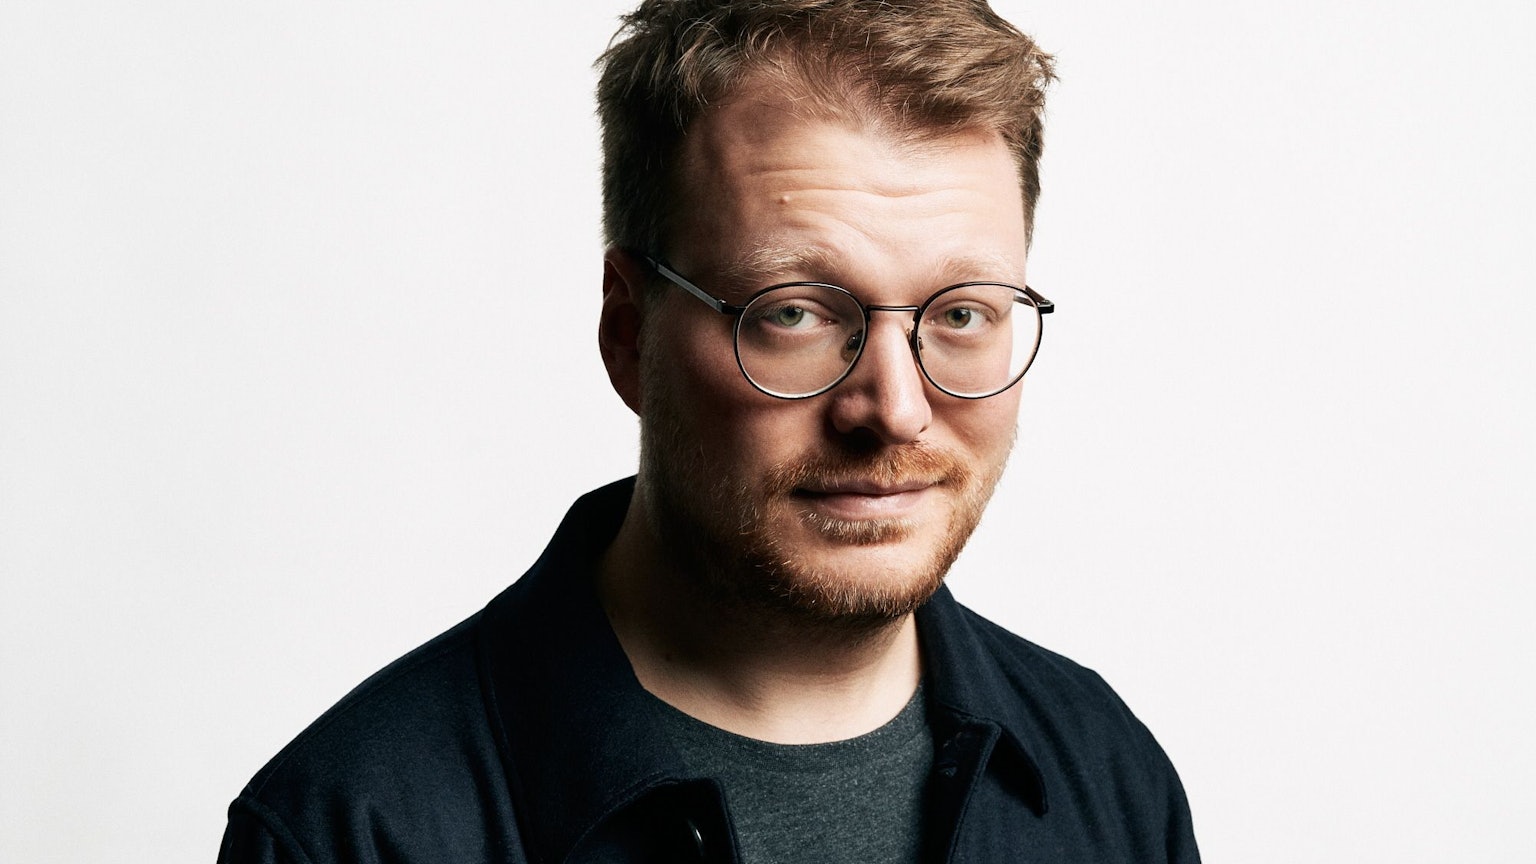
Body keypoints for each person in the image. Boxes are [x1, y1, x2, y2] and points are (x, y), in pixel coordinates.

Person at [217, 1, 1200, 861]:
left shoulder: (1108, 775)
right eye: (795, 313)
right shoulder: (353, 828)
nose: (894, 409)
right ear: (629, 331)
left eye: (961, 314)